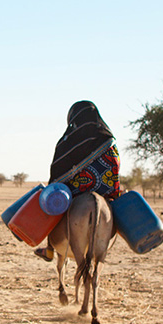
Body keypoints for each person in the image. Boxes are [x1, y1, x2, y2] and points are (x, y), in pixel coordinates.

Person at [35, 100, 121, 262]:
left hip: (74, 192)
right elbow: (115, 166)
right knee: (118, 210)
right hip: (106, 191)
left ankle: (49, 248)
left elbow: (57, 171)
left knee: (53, 204)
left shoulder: (67, 141)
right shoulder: (109, 139)